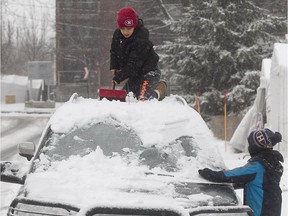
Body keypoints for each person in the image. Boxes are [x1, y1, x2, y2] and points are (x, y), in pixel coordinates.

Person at [198, 128, 284, 216]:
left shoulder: (257, 166)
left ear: (255, 147)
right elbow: (257, 183)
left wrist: (209, 173)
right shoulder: (273, 164)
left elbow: (231, 175)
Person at [110, 7, 167, 101]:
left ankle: (159, 91)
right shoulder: (117, 35)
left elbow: (134, 64)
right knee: (126, 98)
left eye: (129, 28)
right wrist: (114, 66)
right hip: (134, 74)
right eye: (122, 28)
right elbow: (114, 51)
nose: (125, 32)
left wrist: (118, 77)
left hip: (149, 72)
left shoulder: (141, 39)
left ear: (134, 26)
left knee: (142, 99)